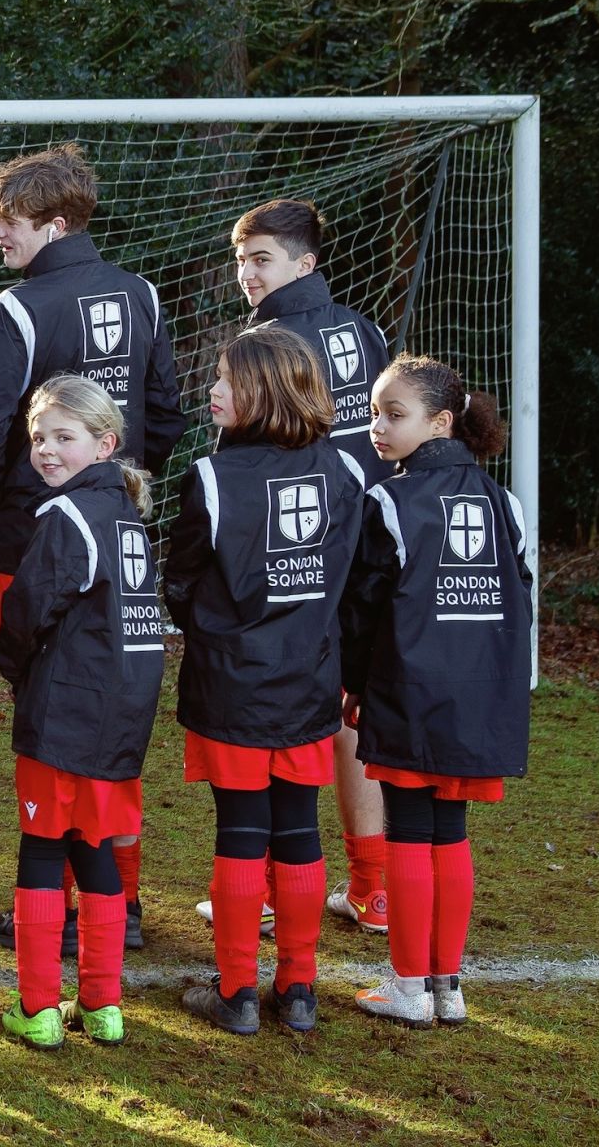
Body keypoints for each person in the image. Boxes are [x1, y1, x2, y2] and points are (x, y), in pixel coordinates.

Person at [0, 145, 184, 952]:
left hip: (41, 541)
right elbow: (164, 411)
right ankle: (116, 904)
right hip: (123, 533)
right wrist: (119, 492)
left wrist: (5, 508)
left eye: (7, 222)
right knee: (115, 718)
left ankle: (58, 912)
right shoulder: (143, 293)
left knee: (52, 718)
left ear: (53, 223)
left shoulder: (19, 309)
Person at [164, 328, 365, 1035]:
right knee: (299, 831)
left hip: (232, 687)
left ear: (261, 392)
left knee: (242, 833)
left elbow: (180, 587)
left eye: (224, 380)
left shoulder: (213, 478)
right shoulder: (344, 471)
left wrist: (227, 630)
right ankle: (300, 989)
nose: (212, 391)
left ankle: (238, 993)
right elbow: (352, 584)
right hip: (310, 684)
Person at [342, 354, 531, 1026]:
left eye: (394, 415)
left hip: (409, 689)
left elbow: (361, 611)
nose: (377, 428)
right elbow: (521, 604)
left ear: (442, 422)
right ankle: (447, 988)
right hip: (481, 696)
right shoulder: (503, 502)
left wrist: (354, 687)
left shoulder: (389, 501)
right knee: (450, 835)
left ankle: (407, 986)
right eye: (372, 414)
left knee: (411, 833)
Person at [232, 197, 394, 935]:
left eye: (261, 259)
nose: (247, 274)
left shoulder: (270, 341)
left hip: (299, 547)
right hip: (369, 543)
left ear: (305, 263)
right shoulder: (363, 329)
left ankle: (268, 894)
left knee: (284, 717)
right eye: (241, 259)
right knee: (351, 710)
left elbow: (252, 464)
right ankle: (373, 887)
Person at [0, 376, 164, 1050]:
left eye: (64, 437)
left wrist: (13, 668)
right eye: (39, 438)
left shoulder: (68, 517)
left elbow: (29, 608)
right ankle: (102, 1006)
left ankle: (37, 1006)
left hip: (67, 709)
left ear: (105, 443)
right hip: (120, 714)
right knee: (94, 849)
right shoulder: (125, 516)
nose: (47, 451)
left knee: (41, 849)